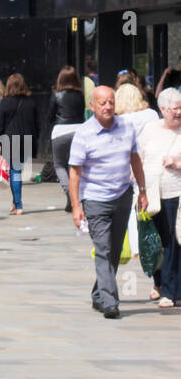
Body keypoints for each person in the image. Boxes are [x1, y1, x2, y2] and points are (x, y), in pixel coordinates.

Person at [69, 86, 148, 320]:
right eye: (102, 103)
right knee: (103, 248)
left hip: (122, 195)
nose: (108, 107)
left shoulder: (126, 127)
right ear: (92, 106)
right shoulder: (84, 133)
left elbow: (135, 160)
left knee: (113, 250)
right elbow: (75, 172)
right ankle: (110, 301)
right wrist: (76, 206)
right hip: (95, 199)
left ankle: (98, 293)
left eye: (111, 102)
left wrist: (142, 190)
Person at [138, 88, 181, 308]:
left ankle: (171, 291)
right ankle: (160, 283)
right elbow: (138, 160)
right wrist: (139, 190)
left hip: (176, 193)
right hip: (152, 194)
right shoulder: (150, 130)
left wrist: (177, 164)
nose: (179, 112)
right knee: (155, 242)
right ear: (162, 109)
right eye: (175, 108)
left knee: (174, 242)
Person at [0, 73, 40, 215]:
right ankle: (15, 204)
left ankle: (18, 205)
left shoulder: (5, 102)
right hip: (26, 140)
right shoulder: (30, 102)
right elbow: (37, 124)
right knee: (16, 171)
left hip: (9, 140)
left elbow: (0, 125)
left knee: (14, 172)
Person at [49, 66, 85, 208]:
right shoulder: (80, 95)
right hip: (78, 131)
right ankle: (75, 197)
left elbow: (50, 116)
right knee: (73, 165)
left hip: (60, 132)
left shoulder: (56, 95)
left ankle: (70, 195)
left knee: (59, 165)